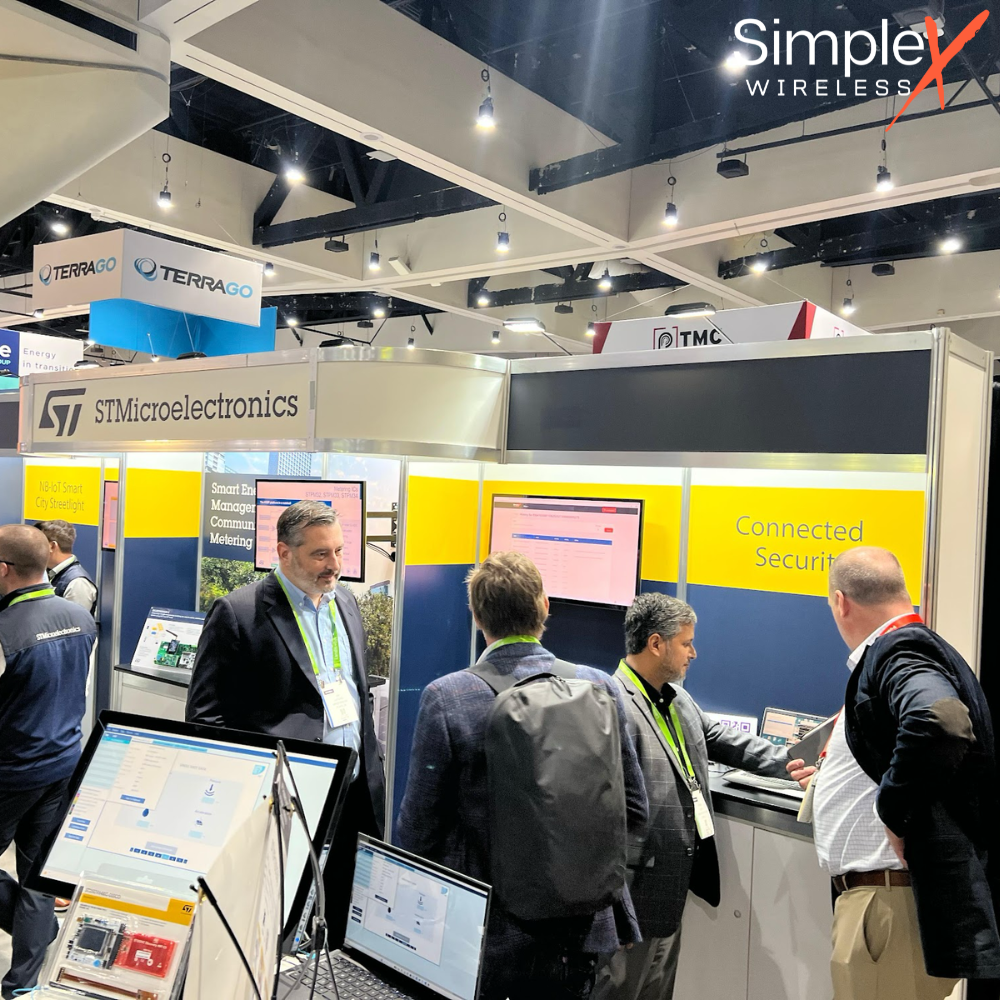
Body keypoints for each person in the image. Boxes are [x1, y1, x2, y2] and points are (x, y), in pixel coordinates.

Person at [395, 551, 648, 1000]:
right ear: (545, 606)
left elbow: (419, 832)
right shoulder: (600, 686)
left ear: (476, 616)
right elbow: (634, 808)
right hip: (583, 930)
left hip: (490, 932)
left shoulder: (448, 697)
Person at [787, 546, 1000, 999]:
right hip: (886, 905)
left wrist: (892, 810)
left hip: (886, 908)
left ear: (841, 602)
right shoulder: (914, 648)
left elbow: (940, 720)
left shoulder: (900, 649)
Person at [186, 500, 385, 943]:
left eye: (339, 551)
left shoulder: (345, 601)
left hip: (352, 791)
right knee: (273, 923)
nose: (334, 565)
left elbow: (353, 688)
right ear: (284, 552)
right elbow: (205, 717)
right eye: (320, 554)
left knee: (339, 918)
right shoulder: (239, 612)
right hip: (284, 798)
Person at [592, 593, 790, 1000]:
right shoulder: (611, 703)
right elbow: (601, 818)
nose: (693, 653)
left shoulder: (678, 698)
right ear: (656, 644)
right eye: (686, 643)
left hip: (671, 886)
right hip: (632, 895)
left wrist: (791, 763)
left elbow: (726, 741)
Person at [0, 523, 97, 999]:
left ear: (3, 570)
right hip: (62, 764)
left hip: (10, 772)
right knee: (38, 875)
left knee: (36, 878)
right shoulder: (80, 617)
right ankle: (23, 983)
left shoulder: (5, 631)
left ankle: (30, 926)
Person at [36, 520, 97, 616]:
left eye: (39, 545)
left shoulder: (77, 583)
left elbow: (74, 622)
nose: (35, 549)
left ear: (52, 546)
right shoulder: (49, 574)